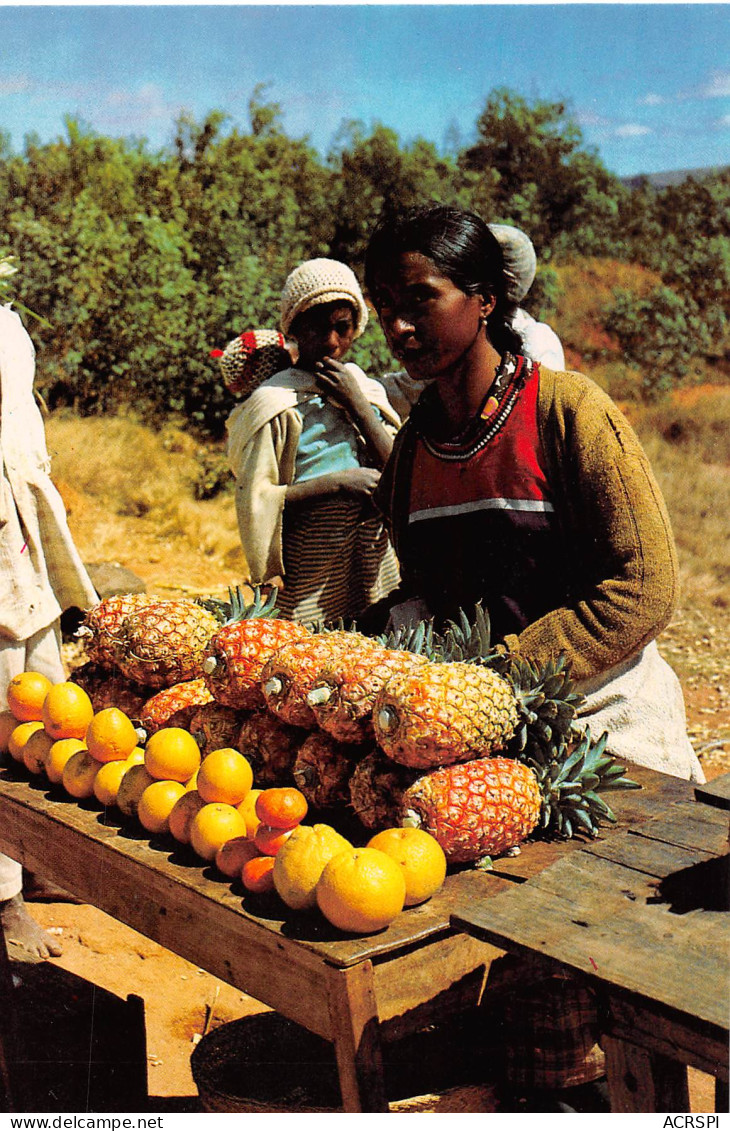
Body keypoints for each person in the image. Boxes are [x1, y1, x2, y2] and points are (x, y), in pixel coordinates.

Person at [363, 202, 704, 1112]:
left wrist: (503, 673)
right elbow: (423, 594)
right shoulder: (414, 453)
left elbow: (641, 586)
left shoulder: (569, 412)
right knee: (536, 1001)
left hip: (609, 729)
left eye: (420, 298)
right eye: (383, 302)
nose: (397, 324)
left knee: (620, 995)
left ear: (484, 298)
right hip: (498, 746)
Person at [222, 258, 401, 625]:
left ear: (357, 328)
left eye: (342, 328)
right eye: (317, 329)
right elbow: (258, 497)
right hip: (310, 562)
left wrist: (359, 406)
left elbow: (400, 471)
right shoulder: (274, 404)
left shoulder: (364, 389)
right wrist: (336, 484)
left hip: (373, 554)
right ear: (294, 329)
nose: (332, 342)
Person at [0, 299, 98, 958]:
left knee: (47, 702)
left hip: (22, 543)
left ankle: (41, 861)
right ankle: (3, 899)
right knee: (3, 714)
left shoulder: (8, 325)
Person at [378, 222, 564, 420]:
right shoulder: (457, 340)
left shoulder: (536, 340)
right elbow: (408, 390)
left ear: (486, 297)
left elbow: (542, 415)